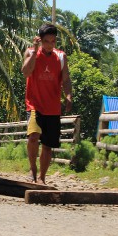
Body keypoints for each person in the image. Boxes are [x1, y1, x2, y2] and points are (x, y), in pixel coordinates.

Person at [21, 23, 72, 184]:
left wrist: (68, 96)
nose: (50, 45)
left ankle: (42, 177)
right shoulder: (30, 52)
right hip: (34, 105)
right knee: (33, 137)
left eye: (53, 41)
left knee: (48, 145)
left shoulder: (61, 57)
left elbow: (66, 79)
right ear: (40, 40)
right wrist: (35, 52)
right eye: (47, 41)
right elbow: (26, 72)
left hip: (53, 108)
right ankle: (32, 169)